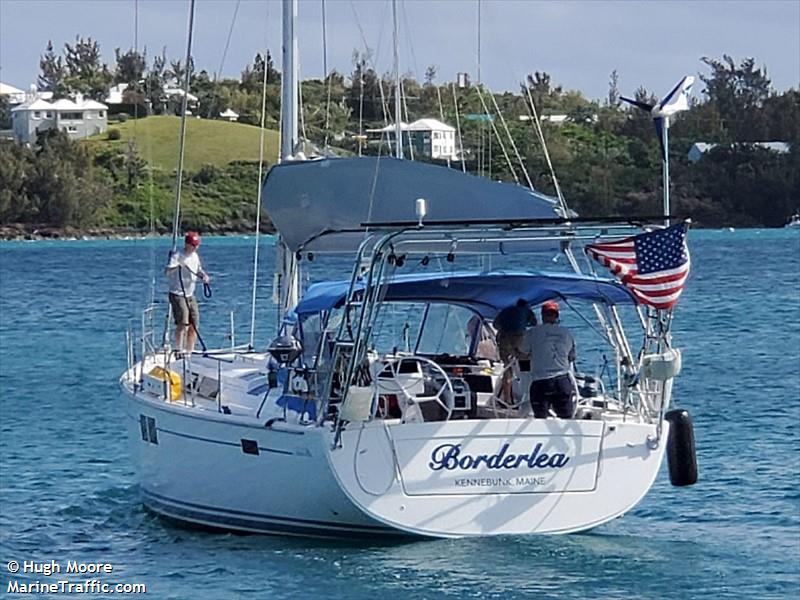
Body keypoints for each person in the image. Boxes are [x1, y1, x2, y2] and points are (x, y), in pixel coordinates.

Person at [524, 300, 576, 419]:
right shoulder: (567, 333)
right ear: (557, 316)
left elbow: (523, 352)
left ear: (542, 316)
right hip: (562, 381)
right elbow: (572, 356)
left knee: (541, 419)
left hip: (541, 381)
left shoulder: (532, 332)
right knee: (567, 419)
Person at [166, 231, 210, 352]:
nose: (196, 247)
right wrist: (177, 265)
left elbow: (198, 269)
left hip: (190, 294)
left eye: (197, 245)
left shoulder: (195, 256)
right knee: (183, 322)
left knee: (194, 323)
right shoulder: (177, 256)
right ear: (187, 244)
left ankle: (190, 350)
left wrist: (204, 276)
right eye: (194, 245)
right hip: (178, 293)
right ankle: (179, 349)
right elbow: (167, 272)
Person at [493, 299, 535, 403]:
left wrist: (505, 329)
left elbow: (495, 325)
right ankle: (526, 397)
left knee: (507, 368)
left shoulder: (506, 310)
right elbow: (534, 323)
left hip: (503, 338)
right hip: (518, 338)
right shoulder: (527, 310)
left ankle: (507, 400)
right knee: (525, 365)